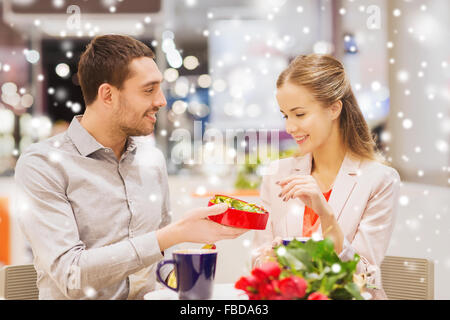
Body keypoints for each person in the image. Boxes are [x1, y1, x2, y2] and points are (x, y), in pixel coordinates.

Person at [14, 34, 248, 300]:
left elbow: (162, 261)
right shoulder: (43, 165)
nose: (161, 101)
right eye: (148, 90)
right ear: (108, 95)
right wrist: (171, 236)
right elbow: (72, 275)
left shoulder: (151, 159)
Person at [251, 54, 400, 300]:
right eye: (285, 115)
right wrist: (270, 258)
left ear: (334, 108)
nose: (289, 127)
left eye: (299, 114)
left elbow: (364, 277)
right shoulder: (277, 174)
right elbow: (258, 262)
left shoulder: (379, 180)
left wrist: (326, 214)